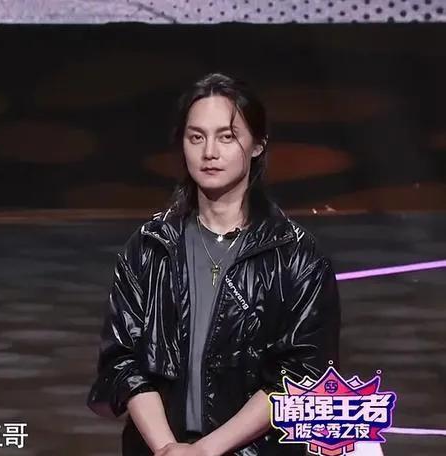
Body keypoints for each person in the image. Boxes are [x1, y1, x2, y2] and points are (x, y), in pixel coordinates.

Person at [87, 73, 340, 455]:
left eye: (226, 136)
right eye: (196, 137)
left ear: (257, 145)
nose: (209, 152)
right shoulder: (149, 247)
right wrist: (168, 448)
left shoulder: (298, 257)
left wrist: (206, 451)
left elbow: (300, 376)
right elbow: (123, 362)